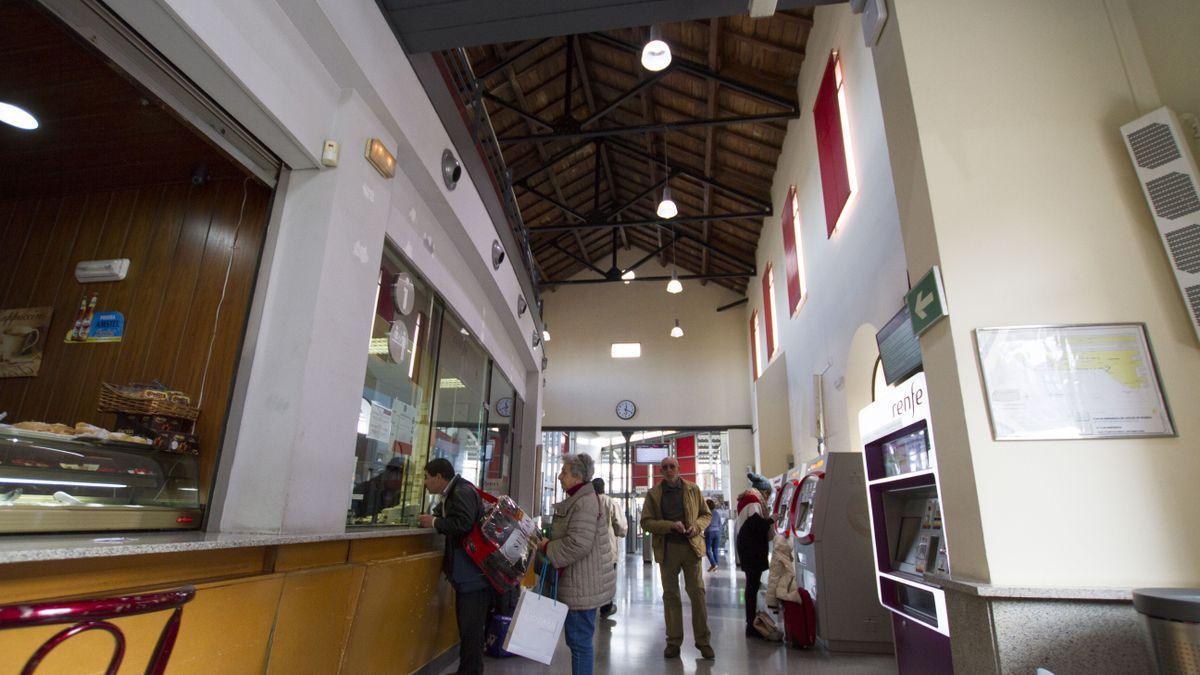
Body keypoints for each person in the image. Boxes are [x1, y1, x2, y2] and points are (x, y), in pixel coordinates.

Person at [539, 453, 615, 675]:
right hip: (581, 581)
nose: (560, 476)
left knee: (579, 643)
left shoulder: (583, 503)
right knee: (578, 641)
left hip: (582, 584)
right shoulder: (581, 499)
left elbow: (578, 544)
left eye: (564, 472)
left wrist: (547, 547)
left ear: (577, 476)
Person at [417, 458, 488, 675]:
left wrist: (435, 523)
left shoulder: (461, 492)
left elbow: (464, 524)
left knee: (471, 628)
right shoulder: (455, 492)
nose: (426, 483)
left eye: (427, 478)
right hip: (469, 574)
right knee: (468, 628)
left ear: (439, 477)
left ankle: (471, 671)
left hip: (472, 574)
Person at [640, 456, 715, 660]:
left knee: (697, 594)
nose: (669, 470)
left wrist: (696, 527)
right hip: (668, 549)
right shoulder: (654, 494)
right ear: (661, 471)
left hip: (691, 549)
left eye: (672, 466)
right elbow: (646, 522)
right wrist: (670, 526)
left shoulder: (692, 489)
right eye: (664, 467)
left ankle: (703, 641)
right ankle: (673, 642)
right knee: (671, 596)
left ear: (678, 468)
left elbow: (706, 515)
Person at [735, 472, 773, 639]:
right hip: (752, 551)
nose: (768, 499)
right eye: (768, 494)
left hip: (748, 549)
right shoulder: (753, 501)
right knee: (752, 587)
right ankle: (751, 625)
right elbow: (757, 525)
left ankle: (751, 623)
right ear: (763, 492)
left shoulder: (747, 499)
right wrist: (772, 519)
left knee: (752, 586)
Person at [593, 477, 627, 618]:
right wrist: (620, 533)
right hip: (607, 548)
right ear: (604, 487)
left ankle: (589, 605)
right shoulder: (610, 502)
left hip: (589, 549)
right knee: (607, 580)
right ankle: (606, 608)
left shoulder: (586, 502)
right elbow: (620, 526)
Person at [704, 498, 727, 572]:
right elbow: (720, 524)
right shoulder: (717, 513)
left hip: (709, 532)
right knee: (715, 549)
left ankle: (713, 564)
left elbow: (705, 523)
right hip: (717, 532)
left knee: (707, 550)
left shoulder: (707, 513)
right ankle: (715, 565)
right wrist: (719, 532)